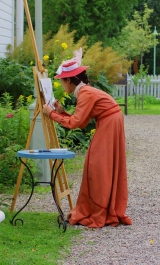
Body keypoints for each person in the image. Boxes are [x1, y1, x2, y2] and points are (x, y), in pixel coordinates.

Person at [42, 48, 132, 228]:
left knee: (97, 166)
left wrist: (51, 114)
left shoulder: (85, 94)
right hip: (110, 121)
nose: (61, 85)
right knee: (99, 164)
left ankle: (100, 209)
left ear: (69, 80)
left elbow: (75, 123)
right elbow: (81, 121)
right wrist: (61, 112)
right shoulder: (85, 92)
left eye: (62, 82)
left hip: (109, 123)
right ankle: (103, 205)